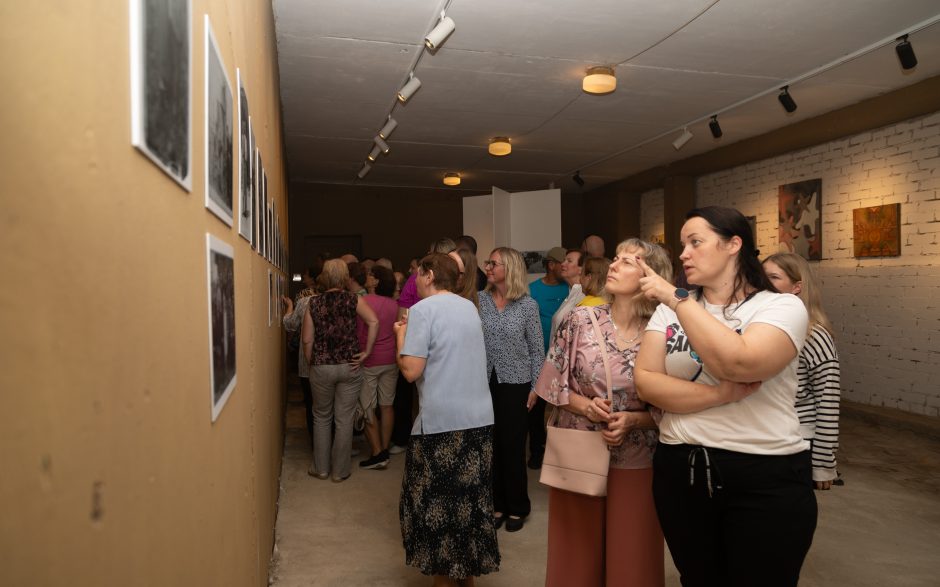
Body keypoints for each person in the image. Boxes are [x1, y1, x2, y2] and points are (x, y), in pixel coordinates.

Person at [634, 206, 816, 586]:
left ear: (734, 244)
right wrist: (720, 394)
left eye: (695, 242)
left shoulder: (780, 306)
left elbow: (742, 363)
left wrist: (678, 299)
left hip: (764, 474)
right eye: (683, 244)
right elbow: (647, 383)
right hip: (682, 468)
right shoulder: (669, 313)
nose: (683, 254)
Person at [534, 238, 672, 586]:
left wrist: (633, 420)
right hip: (580, 450)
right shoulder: (580, 319)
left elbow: (675, 403)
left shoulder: (666, 331)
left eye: (629, 261)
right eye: (617, 258)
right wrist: (587, 407)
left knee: (633, 556)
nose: (614, 264)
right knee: (575, 557)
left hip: (638, 456)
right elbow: (550, 383)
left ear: (650, 276)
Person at [395, 253, 499, 585]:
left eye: (416, 274)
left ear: (427, 275)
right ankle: (466, 578)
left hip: (443, 424)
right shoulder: (468, 305)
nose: (414, 280)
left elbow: (411, 371)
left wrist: (401, 336)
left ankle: (444, 578)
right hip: (479, 419)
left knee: (439, 511)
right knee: (469, 506)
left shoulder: (422, 311)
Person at [478, 247, 543, 532]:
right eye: (488, 263)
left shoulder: (528, 306)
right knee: (490, 446)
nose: (488, 268)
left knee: (513, 446)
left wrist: (535, 388)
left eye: (494, 263)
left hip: (516, 384)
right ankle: (497, 504)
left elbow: (537, 349)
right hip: (482, 382)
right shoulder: (478, 301)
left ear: (511, 269)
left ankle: (518, 506)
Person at [763, 252, 841, 489]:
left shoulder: (814, 335)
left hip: (797, 441)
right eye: (761, 276)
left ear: (797, 287)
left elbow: (827, 401)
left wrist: (823, 464)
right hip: (763, 436)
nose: (764, 283)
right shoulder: (760, 328)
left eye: (774, 277)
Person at [302, 259, 379, 482]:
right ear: (345, 277)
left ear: (325, 277)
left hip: (322, 366)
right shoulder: (353, 299)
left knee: (322, 417)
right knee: (344, 419)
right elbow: (373, 322)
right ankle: (340, 471)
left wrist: (313, 362)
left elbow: (307, 340)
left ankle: (321, 468)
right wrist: (366, 352)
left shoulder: (313, 303)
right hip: (350, 365)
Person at [390, 238, 457, 455]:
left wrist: (401, 336)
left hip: (419, 346)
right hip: (434, 350)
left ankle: (421, 440)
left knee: (424, 394)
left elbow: (403, 317)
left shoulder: (423, 306)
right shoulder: (467, 306)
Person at [525, 246, 569, 469]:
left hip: (564, 360)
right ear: (551, 265)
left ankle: (562, 454)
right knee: (537, 409)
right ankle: (537, 450)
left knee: (563, 407)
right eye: (563, 262)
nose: (566, 266)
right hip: (540, 358)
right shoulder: (532, 289)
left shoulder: (570, 289)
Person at [357, 265, 401, 470]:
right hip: (391, 359)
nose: (367, 277)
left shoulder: (363, 302)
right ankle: (384, 448)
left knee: (367, 406)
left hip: (369, 360)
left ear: (376, 281)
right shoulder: (394, 304)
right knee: (387, 406)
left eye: (370, 275)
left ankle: (378, 452)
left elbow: (358, 332)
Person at [548, 249, 586, 343]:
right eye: (564, 260)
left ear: (581, 269)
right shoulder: (571, 293)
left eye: (569, 261)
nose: (562, 264)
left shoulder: (583, 295)